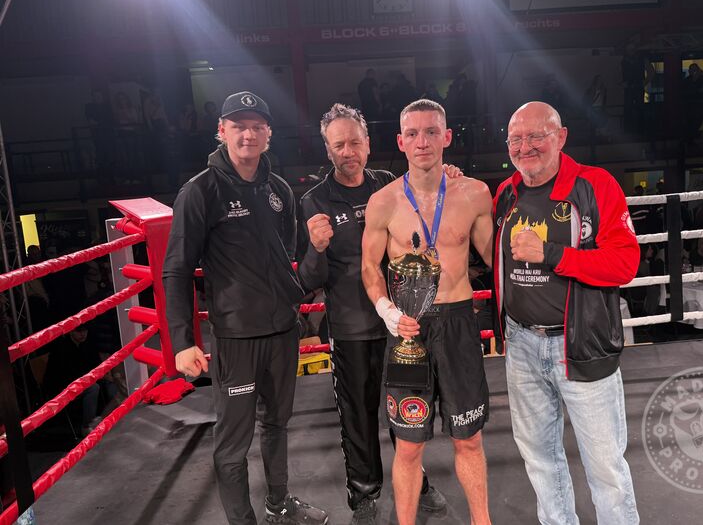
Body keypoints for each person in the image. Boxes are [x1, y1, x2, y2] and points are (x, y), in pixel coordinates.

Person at [163, 91, 328, 525]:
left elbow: (287, 259)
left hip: (282, 333)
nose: (248, 134)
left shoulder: (279, 191)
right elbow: (176, 271)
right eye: (239, 126)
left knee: (277, 425)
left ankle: (279, 505)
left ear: (269, 134)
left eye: (257, 126)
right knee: (232, 444)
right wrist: (183, 342)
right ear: (222, 131)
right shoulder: (200, 191)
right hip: (236, 339)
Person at [296, 103, 449, 524]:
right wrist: (317, 247)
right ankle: (364, 496)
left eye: (355, 142)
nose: (349, 151)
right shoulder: (314, 201)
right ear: (328, 149)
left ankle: (416, 481)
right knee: (358, 418)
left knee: (409, 406)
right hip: (351, 328)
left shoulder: (389, 185)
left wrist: (448, 175)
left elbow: (431, 197)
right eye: (339, 144)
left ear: (369, 143)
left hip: (402, 322)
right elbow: (307, 279)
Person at [492, 101, 640, 524]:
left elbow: (625, 264)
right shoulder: (505, 194)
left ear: (561, 137)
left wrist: (552, 254)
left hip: (580, 343)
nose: (526, 146)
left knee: (606, 466)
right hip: (521, 344)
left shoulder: (595, 186)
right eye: (516, 139)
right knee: (540, 460)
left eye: (536, 135)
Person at [361, 99, 494, 525]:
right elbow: (369, 267)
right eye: (413, 134)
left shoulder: (474, 193)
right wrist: (385, 310)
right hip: (408, 330)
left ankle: (482, 522)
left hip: (457, 322)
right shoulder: (382, 201)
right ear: (400, 141)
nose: (423, 141)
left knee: (469, 439)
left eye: (432, 131)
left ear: (447, 137)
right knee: (408, 446)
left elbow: (496, 259)